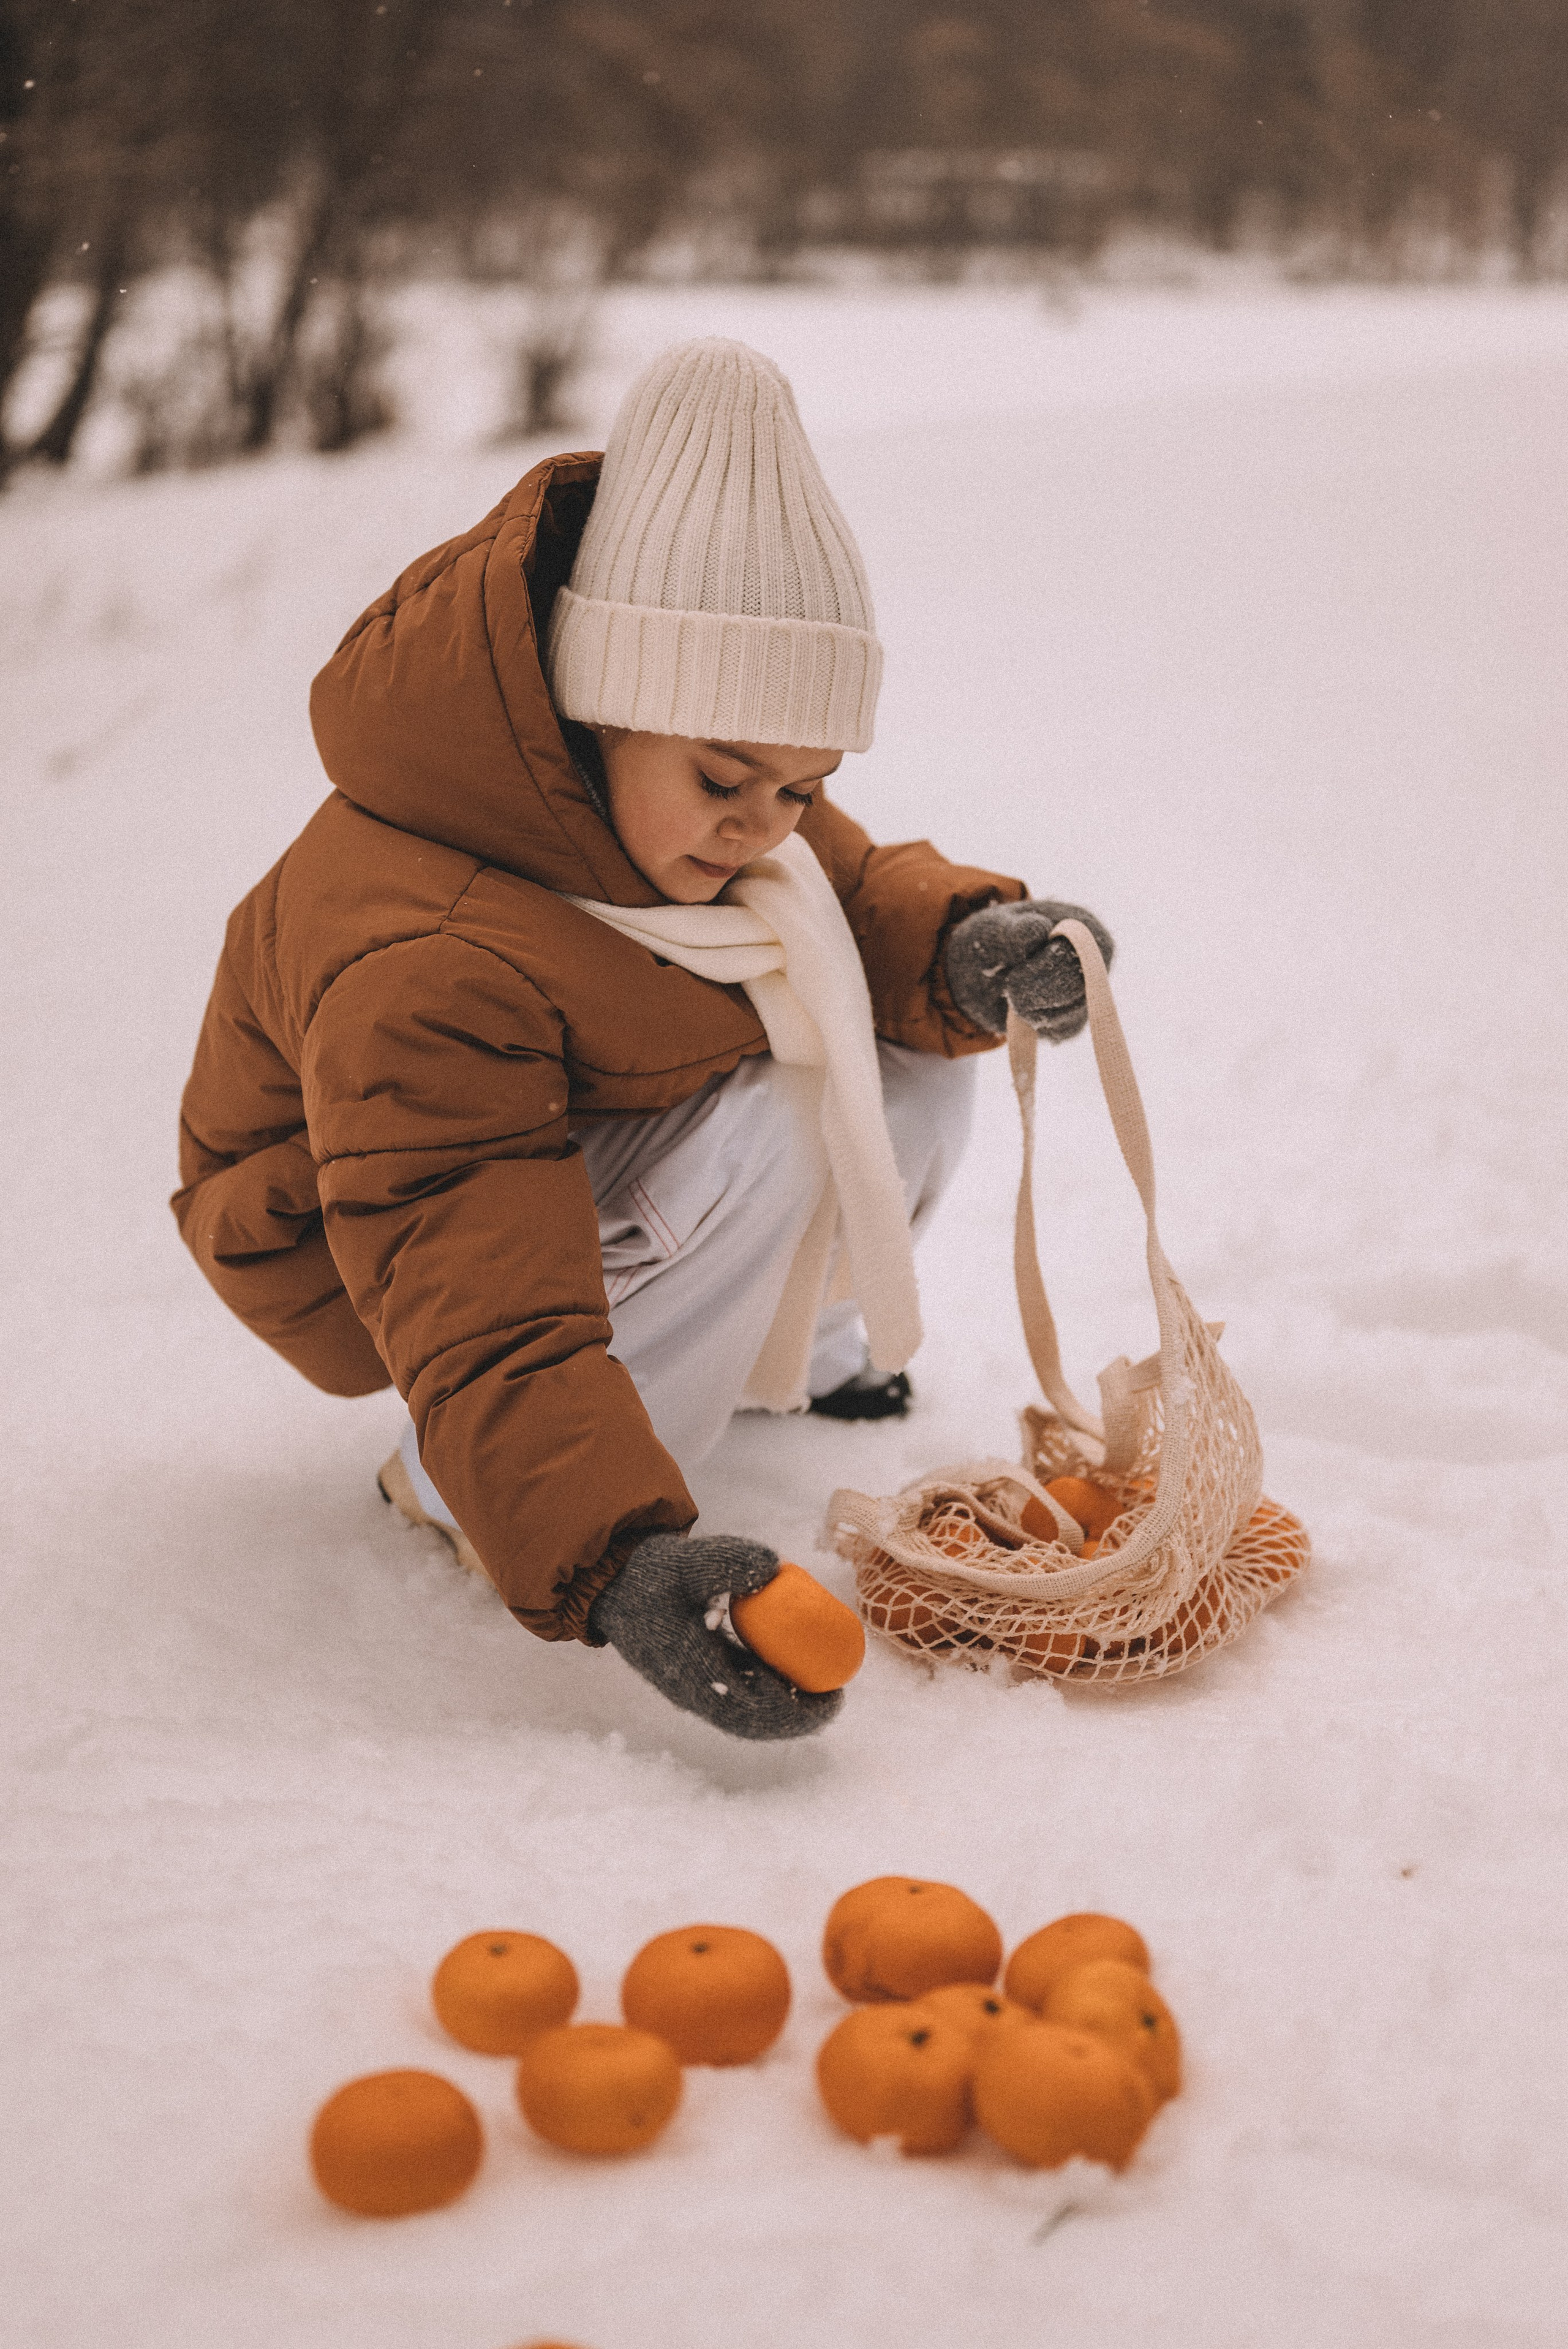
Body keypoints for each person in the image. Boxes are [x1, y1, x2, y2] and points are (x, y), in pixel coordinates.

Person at [173, 338, 1112, 1742]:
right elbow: (465, 1258)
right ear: (587, 707)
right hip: (351, 1232)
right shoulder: (430, 953)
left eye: (803, 787)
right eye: (725, 780)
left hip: (531, 1134)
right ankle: (458, 1485)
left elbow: (847, 898)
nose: (763, 828)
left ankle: (796, 1353)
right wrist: (615, 1560)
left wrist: (963, 950)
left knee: (898, 1056)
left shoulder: (703, 812)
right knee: (786, 1125)